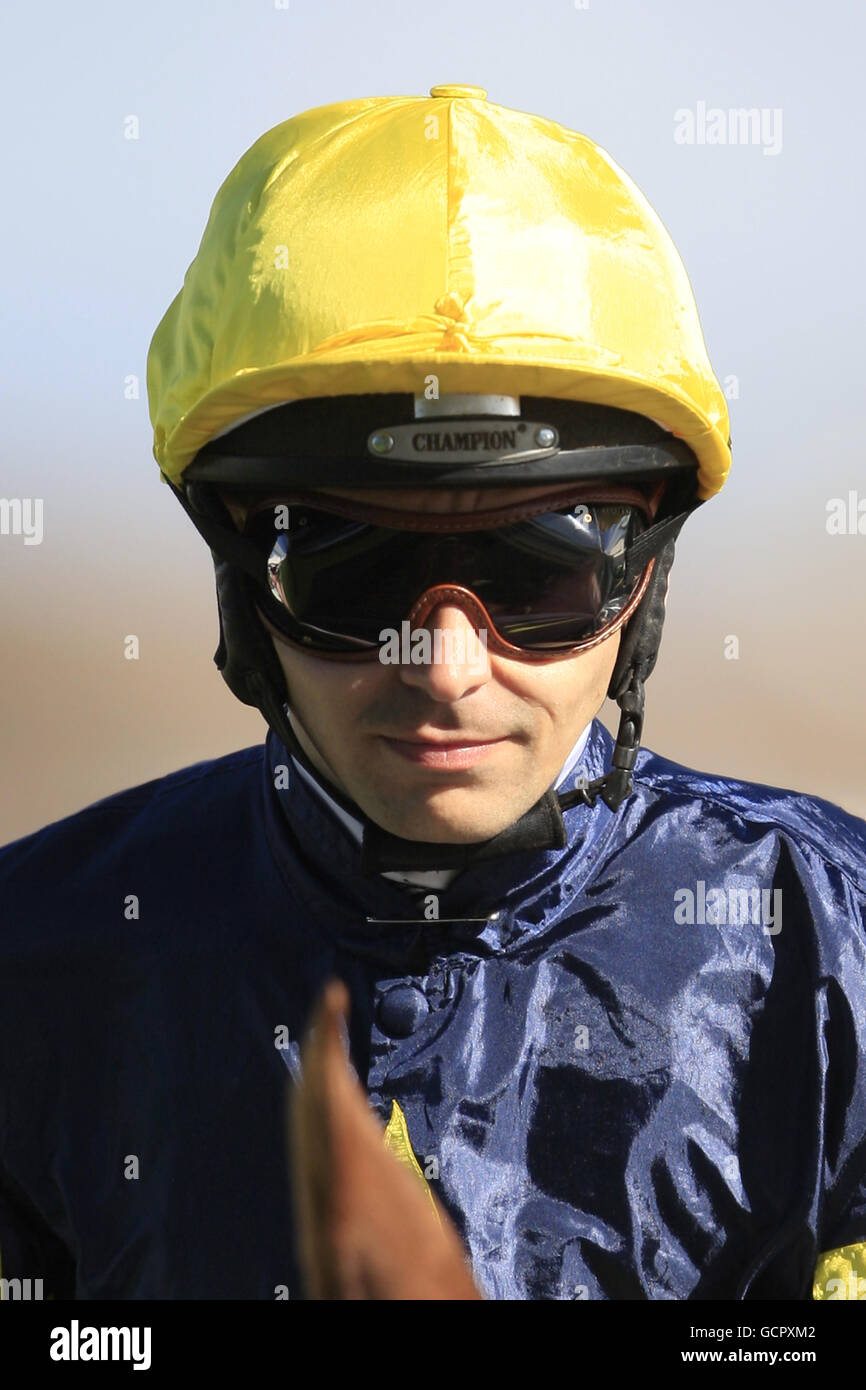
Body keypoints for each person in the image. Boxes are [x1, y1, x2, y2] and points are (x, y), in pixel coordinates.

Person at [1, 83, 864, 1303]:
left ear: (647, 581)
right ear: (239, 581)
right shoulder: (35, 967)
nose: (446, 669)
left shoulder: (837, 953)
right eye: (354, 571)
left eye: (541, 569)